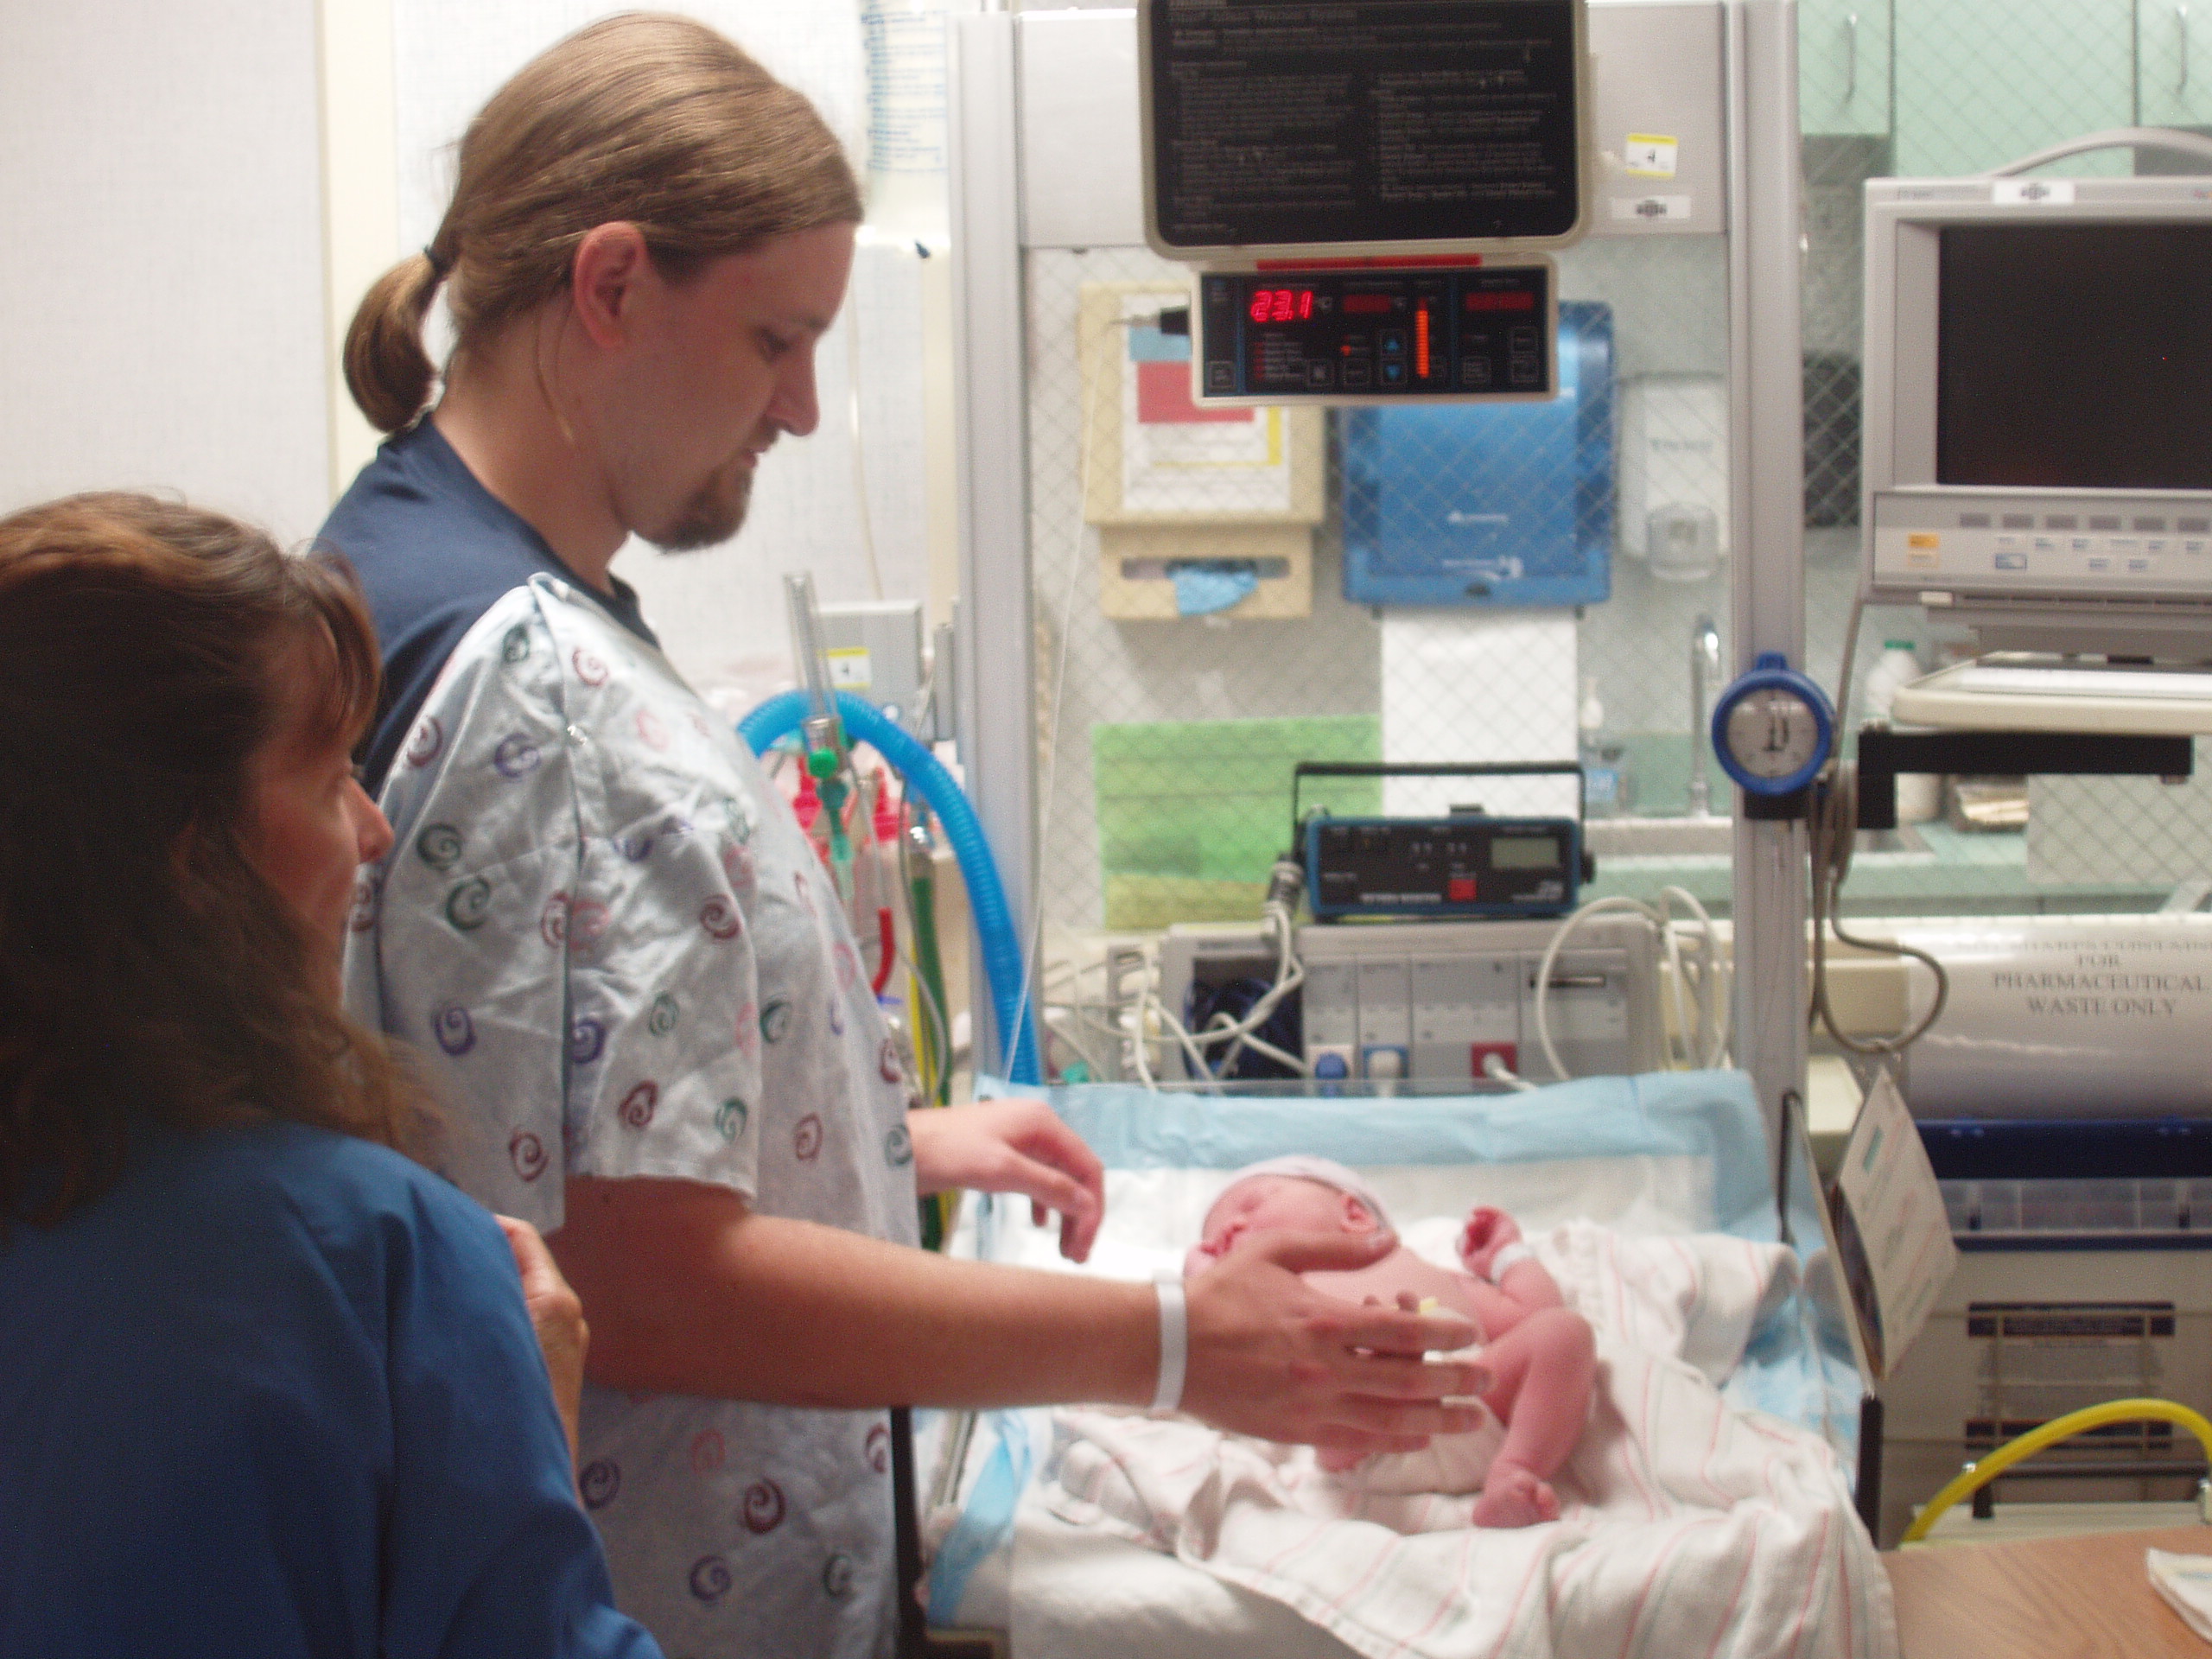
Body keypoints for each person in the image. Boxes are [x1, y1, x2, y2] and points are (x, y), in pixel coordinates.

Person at [321, 15, 1486, 1656]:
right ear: (611, 286)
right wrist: (1170, 1347)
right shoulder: (527, 681)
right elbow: (628, 1280)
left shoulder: (408, 572)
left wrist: (883, 1144)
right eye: (775, 339)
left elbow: (511, 1125)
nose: (803, 408)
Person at [0, 493, 659, 1659]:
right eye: (325, 780)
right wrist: (530, 1437)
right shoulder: (380, 1267)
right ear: (194, 864)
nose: (371, 829)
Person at [1187, 1158, 1598, 1528]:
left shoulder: (1428, 1272)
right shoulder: (1279, 1295)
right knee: (1326, 1374)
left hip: (1474, 1401)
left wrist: (1508, 1256)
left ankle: (1515, 1472)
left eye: (1250, 1206)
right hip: (1357, 1425)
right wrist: (1206, 1286)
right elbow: (1221, 1351)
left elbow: (1533, 1314)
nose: (1228, 1229)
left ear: (1354, 1215)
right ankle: (1373, 1366)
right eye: (1213, 1241)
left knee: (1565, 1332)